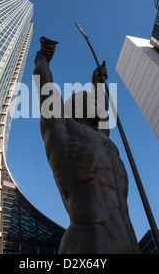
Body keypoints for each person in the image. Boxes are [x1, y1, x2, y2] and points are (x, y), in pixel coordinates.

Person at [33, 37, 140, 254]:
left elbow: (102, 108)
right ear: (70, 108)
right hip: (91, 237)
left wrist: (97, 84)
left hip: (128, 241)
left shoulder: (105, 139)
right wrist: (42, 59)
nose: (93, 102)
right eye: (85, 99)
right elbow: (45, 85)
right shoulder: (60, 127)